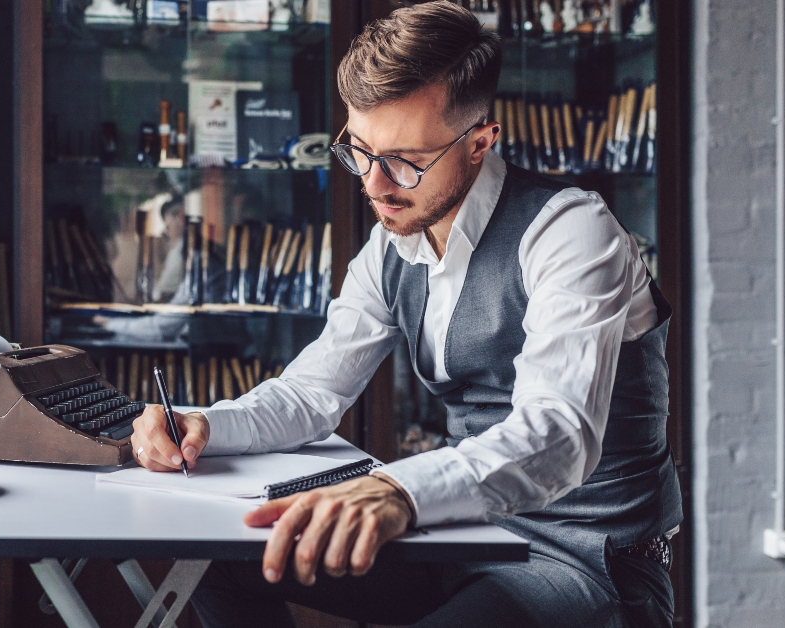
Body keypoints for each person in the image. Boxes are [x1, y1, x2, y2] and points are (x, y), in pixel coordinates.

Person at [129, 3, 680, 626]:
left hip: (587, 560)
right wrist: (205, 425)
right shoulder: (393, 243)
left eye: (405, 160)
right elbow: (313, 393)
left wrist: (400, 489)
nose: (375, 184)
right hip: (459, 533)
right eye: (360, 151)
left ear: (479, 143)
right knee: (219, 555)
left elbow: (560, 435)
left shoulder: (570, 230)